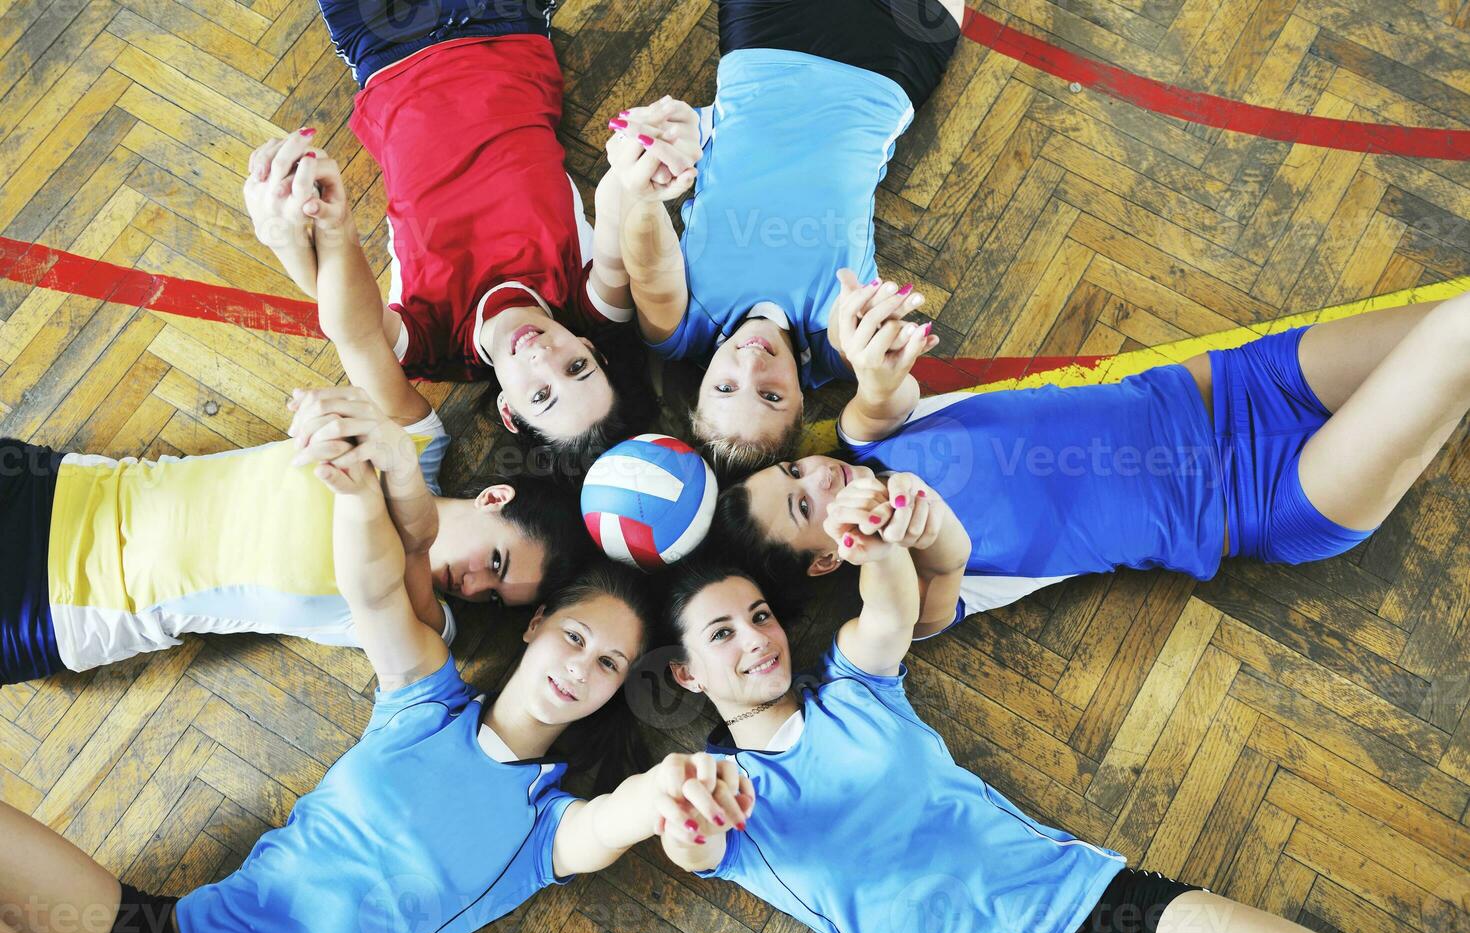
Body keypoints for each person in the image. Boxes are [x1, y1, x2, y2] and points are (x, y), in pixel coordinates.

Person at [0, 411, 752, 933]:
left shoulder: (543, 829)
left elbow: (616, 822)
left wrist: (665, 788)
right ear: (535, 627)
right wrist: (361, 498)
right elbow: (373, 590)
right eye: (578, 638)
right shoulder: (425, 705)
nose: (583, 668)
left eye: (611, 665)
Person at [658, 520, 1460, 933]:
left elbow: (890, 605)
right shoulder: (721, 792)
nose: (756, 641)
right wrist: (692, 813)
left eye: (759, 616)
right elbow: (686, 844)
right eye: (723, 634)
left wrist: (874, 534)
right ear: (688, 674)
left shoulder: (853, 691)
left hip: (1097, 904)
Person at [713, 273, 1470, 636]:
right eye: (803, 504)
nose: (816, 473)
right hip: (1277, 498)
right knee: (1460, 338)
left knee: (1450, 323)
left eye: (792, 469)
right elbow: (936, 577)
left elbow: (879, 394)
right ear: (822, 560)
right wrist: (897, 537)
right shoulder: (909, 591)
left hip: (1241, 385)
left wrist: (872, 359)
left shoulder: (870, 438)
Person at [247, 0, 697, 465]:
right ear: (589, 349)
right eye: (576, 367)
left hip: (388, 49)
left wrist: (314, 231)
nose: (544, 357)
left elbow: (353, 327)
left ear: (508, 409)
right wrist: (642, 159)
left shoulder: (431, 346)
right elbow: (618, 204)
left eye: (541, 395)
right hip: (508, 24)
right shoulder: (589, 305)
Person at [0, 385, 585, 686]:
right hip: (62, 490)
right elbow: (348, 314)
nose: (472, 584)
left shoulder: (424, 620)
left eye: (490, 597)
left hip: (56, 612)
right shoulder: (418, 438)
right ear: (494, 499)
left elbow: (411, 547)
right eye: (498, 564)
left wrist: (402, 484)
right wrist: (314, 230)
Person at [612, 0, 960, 474]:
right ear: (800, 401)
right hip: (888, 63)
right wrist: (876, 366)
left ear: (703, 383)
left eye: (726, 388)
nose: (751, 367)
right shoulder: (833, 346)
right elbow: (871, 364)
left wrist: (641, 197)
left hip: (764, 37)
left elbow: (650, 269)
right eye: (770, 396)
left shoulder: (681, 329)